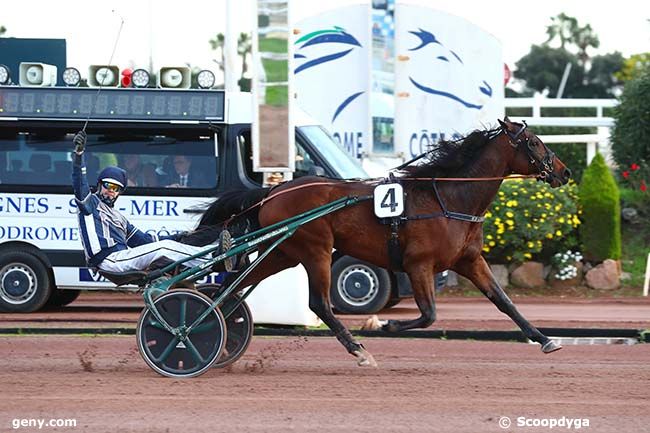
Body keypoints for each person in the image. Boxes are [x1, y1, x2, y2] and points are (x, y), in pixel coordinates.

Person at [71, 131, 227, 274]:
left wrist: (179, 237)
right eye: (108, 185)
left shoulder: (119, 217)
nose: (111, 190)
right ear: (99, 185)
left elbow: (145, 241)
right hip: (109, 260)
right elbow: (79, 182)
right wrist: (79, 155)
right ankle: (213, 260)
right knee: (164, 248)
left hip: (122, 257)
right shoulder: (89, 203)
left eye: (117, 188)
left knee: (165, 245)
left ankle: (212, 251)